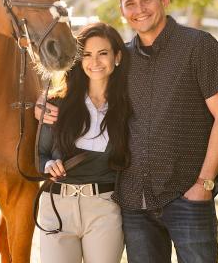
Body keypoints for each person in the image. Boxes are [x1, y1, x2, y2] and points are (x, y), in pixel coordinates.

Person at [39, 0, 218, 263]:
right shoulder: (123, 60)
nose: (139, 9)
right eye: (130, 3)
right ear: (122, 10)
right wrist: (43, 102)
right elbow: (84, 83)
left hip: (187, 195)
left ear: (164, 0)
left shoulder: (199, 46)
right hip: (135, 203)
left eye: (147, 0)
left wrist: (204, 185)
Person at [35, 22, 131, 263]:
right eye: (87, 54)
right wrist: (48, 166)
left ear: (117, 57)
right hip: (57, 206)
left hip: (104, 208)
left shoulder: (128, 106)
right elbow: (39, 155)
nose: (94, 62)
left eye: (103, 53)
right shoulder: (56, 104)